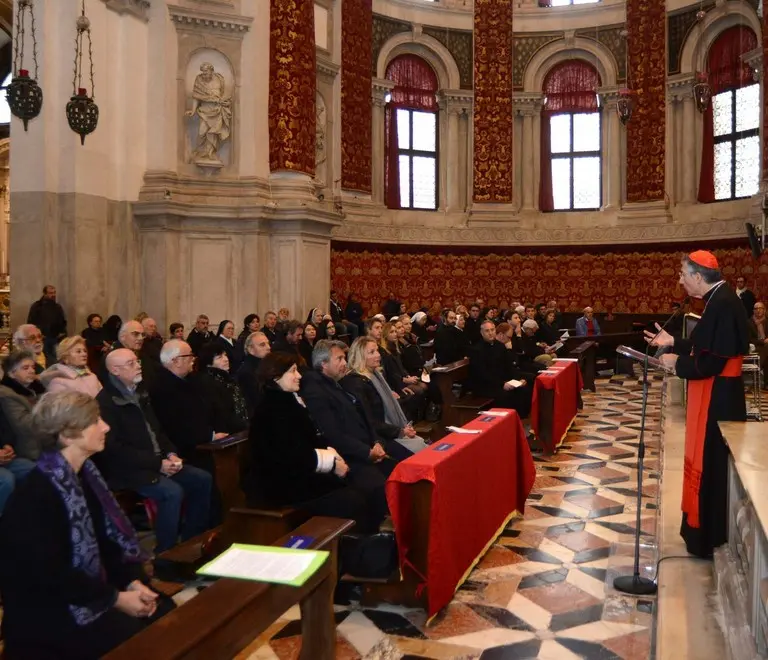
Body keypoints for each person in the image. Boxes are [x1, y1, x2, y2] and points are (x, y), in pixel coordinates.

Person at [0, 391, 175, 659]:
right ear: (67, 435)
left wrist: (131, 583)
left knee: (165, 610)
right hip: (50, 616)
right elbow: (51, 575)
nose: (106, 426)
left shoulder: (87, 476)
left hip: (86, 591)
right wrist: (115, 599)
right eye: (95, 421)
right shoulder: (37, 496)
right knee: (141, 637)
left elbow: (107, 541)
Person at [646, 250, 748, 558]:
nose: (680, 280)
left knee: (712, 465)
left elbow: (714, 361)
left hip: (719, 397)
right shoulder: (719, 299)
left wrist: (677, 365)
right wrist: (673, 343)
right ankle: (701, 534)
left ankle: (709, 539)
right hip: (717, 392)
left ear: (697, 277)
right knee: (708, 464)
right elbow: (708, 347)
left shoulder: (724, 303)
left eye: (682, 275)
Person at [242, 352, 383, 532]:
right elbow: (290, 456)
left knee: (364, 487)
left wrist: (334, 459)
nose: (299, 375)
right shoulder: (273, 409)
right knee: (353, 500)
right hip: (283, 486)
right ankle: (353, 552)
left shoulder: (288, 402)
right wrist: (332, 463)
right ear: (276, 376)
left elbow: (312, 441)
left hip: (301, 474)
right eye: (293, 371)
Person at [97, 350, 212, 557]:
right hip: (130, 469)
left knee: (202, 479)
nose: (138, 365)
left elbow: (157, 430)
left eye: (137, 361)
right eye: (131, 363)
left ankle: (190, 542)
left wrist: (170, 454)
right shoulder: (106, 402)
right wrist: (157, 464)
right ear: (115, 370)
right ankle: (165, 554)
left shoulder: (140, 391)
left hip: (157, 461)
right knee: (172, 492)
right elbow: (115, 449)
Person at [343, 337, 426, 457]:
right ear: (360, 356)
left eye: (377, 350)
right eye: (371, 352)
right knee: (420, 451)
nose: (378, 355)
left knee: (424, 446)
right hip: (378, 438)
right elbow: (370, 421)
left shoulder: (375, 375)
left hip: (388, 431)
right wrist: (399, 431)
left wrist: (402, 429)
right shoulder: (357, 383)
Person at [0, 351, 49, 461]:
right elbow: (26, 425)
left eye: (32, 367)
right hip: (29, 450)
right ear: (11, 373)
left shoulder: (37, 389)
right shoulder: (6, 394)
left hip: (46, 443)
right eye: (25, 368)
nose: (32, 371)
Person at [194, 343, 249, 434]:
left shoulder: (227, 379)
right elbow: (222, 413)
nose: (226, 359)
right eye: (219, 357)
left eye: (225, 355)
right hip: (225, 434)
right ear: (208, 364)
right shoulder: (208, 382)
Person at [26, 285, 67, 365]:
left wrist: (62, 331)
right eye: (50, 293)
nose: (53, 295)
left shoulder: (57, 307)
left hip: (55, 337)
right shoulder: (37, 306)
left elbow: (62, 320)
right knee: (44, 358)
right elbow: (31, 321)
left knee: (56, 358)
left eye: (54, 293)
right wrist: (37, 334)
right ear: (44, 294)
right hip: (42, 337)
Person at [236, 331, 271, 414]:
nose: (268, 347)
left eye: (268, 343)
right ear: (250, 349)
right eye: (262, 345)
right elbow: (257, 402)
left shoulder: (266, 365)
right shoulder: (246, 372)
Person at [748, 301, 768, 385]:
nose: (758, 310)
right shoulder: (749, 322)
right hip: (755, 347)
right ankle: (766, 384)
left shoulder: (767, 321)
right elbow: (749, 339)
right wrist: (763, 341)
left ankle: (758, 366)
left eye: (760, 308)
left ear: (764, 310)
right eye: (756, 309)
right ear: (753, 311)